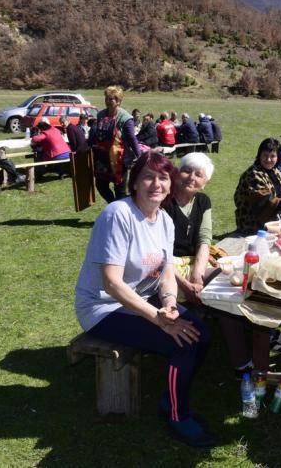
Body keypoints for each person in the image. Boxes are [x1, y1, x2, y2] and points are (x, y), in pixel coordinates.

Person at [74, 151, 216, 447]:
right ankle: (178, 417)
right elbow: (111, 284)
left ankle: (169, 400)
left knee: (201, 334)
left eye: (163, 177)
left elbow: (166, 272)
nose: (156, 184)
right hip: (103, 308)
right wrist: (159, 320)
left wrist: (170, 305)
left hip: (144, 301)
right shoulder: (118, 214)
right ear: (134, 183)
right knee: (183, 340)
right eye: (148, 177)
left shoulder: (163, 220)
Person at [163, 153, 215, 303]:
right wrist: (186, 285)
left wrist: (198, 275)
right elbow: (158, 251)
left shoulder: (203, 201)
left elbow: (204, 239)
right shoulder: (164, 201)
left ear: (204, 183)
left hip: (194, 262)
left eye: (199, 175)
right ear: (177, 173)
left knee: (225, 277)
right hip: (168, 264)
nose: (191, 177)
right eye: (186, 171)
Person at [233, 138, 281, 234]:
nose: (268, 159)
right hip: (253, 225)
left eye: (272, 156)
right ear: (259, 155)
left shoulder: (275, 172)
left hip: (271, 221)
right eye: (265, 155)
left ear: (278, 157)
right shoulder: (253, 175)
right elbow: (267, 203)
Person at [89, 85, 142, 203]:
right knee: (100, 185)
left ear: (118, 101)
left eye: (111, 99)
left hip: (120, 160)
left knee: (120, 190)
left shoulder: (126, 118)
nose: (107, 101)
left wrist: (140, 156)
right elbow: (95, 133)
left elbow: (132, 138)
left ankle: (120, 214)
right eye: (106, 98)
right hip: (102, 158)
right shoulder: (101, 114)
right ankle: (113, 205)